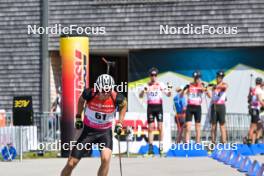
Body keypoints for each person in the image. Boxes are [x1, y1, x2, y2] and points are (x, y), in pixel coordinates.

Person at [60, 74, 127, 176]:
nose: (105, 94)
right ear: (98, 88)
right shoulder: (89, 93)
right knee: (71, 163)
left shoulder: (116, 97)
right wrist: (78, 117)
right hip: (88, 132)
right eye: (103, 91)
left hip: (104, 133)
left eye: (108, 91)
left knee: (106, 159)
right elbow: (81, 100)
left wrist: (120, 123)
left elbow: (124, 105)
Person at [139, 67, 171, 155]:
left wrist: (170, 89)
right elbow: (141, 96)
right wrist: (143, 91)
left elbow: (168, 94)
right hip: (150, 108)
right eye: (152, 75)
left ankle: (161, 148)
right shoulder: (146, 85)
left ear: (157, 76)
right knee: (150, 128)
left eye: (155, 75)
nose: (153, 77)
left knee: (160, 127)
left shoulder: (160, 84)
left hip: (159, 107)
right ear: (149, 76)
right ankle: (150, 149)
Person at [182, 71, 209, 143]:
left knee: (198, 127)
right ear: (193, 78)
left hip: (197, 108)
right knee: (188, 127)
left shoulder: (202, 85)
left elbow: (209, 96)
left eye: (198, 78)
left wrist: (204, 88)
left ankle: (198, 143)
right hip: (189, 107)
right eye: (195, 78)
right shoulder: (189, 85)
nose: (197, 79)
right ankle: (186, 143)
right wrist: (184, 90)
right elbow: (182, 95)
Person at [207, 71, 228, 144]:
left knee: (222, 125)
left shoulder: (224, 84)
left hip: (221, 106)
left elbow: (224, 87)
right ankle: (213, 142)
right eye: (219, 77)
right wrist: (207, 90)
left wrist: (214, 86)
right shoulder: (213, 86)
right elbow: (210, 96)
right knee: (213, 126)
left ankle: (224, 142)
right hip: (214, 106)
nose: (220, 78)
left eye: (221, 77)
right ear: (216, 77)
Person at [247, 77, 264, 144]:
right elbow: (260, 100)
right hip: (255, 109)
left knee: (259, 125)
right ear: (261, 82)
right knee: (253, 127)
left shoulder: (253, 89)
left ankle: (256, 141)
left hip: (254, 109)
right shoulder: (259, 90)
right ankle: (249, 142)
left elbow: (249, 100)